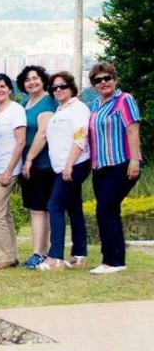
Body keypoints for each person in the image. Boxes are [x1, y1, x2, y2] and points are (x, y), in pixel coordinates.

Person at [87, 62, 142, 274]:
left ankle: (111, 260)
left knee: (105, 210)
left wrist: (135, 160)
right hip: (100, 166)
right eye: (98, 80)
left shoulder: (124, 100)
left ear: (115, 79)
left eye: (107, 78)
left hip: (121, 163)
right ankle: (117, 259)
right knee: (109, 211)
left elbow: (132, 130)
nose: (103, 83)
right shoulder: (95, 105)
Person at [38, 71, 91, 271]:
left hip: (74, 164)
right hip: (62, 166)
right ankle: (79, 255)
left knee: (55, 206)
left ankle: (55, 257)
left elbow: (80, 136)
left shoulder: (78, 108)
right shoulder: (62, 109)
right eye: (54, 87)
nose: (58, 90)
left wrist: (69, 164)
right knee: (74, 208)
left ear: (71, 87)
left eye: (63, 86)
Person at [16, 66, 58, 269]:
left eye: (35, 78)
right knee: (35, 209)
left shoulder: (47, 102)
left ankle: (39, 253)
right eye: (27, 80)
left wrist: (30, 159)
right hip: (28, 165)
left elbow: (43, 133)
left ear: (43, 80)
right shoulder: (26, 103)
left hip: (43, 164)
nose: (32, 82)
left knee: (41, 210)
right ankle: (40, 251)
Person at [0, 74, 26, 270]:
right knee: (4, 213)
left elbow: (21, 142)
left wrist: (9, 170)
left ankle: (2, 256)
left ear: (10, 89)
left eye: (2, 86)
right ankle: (11, 255)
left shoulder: (16, 110)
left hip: (8, 168)